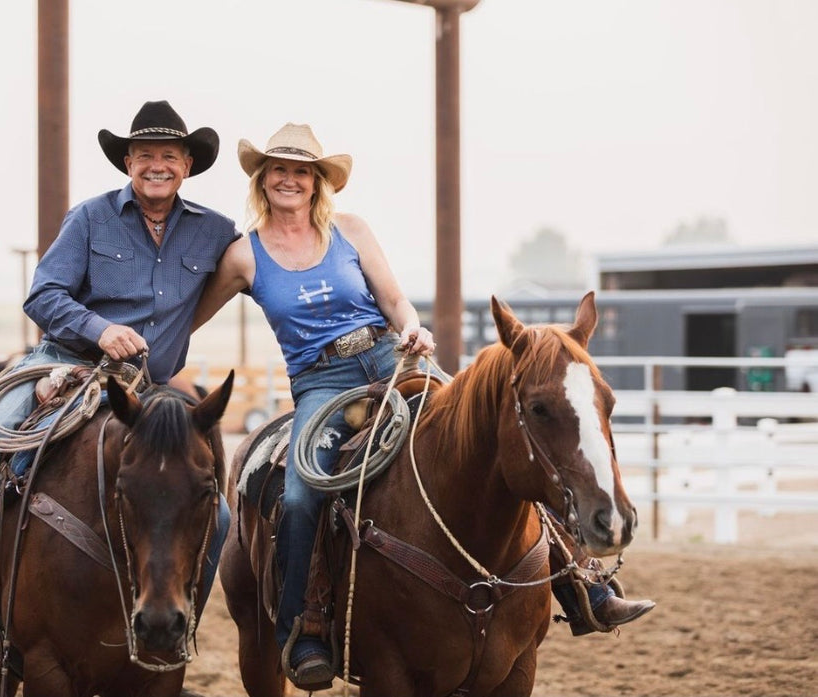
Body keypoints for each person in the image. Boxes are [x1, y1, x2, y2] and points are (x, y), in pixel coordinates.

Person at [191, 123, 653, 689]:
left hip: (392, 360)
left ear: (317, 182)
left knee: (503, 437)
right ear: (263, 179)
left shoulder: (350, 230)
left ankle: (584, 583)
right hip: (322, 382)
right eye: (279, 169)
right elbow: (188, 316)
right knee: (297, 491)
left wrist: (412, 328)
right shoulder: (244, 253)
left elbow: (393, 299)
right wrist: (144, 350)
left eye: (302, 170)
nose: (290, 179)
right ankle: (305, 625)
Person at [0, 100, 239, 646]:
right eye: (145, 155)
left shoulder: (214, 231)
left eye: (169, 156)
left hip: (143, 388)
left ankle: (175, 625)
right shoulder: (90, 217)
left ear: (187, 165)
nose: (158, 165)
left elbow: (268, 262)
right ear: (128, 162)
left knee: (216, 511)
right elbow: (42, 295)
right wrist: (99, 330)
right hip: (63, 362)